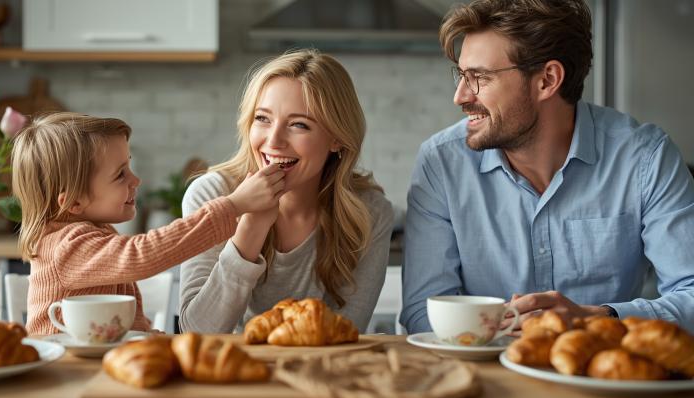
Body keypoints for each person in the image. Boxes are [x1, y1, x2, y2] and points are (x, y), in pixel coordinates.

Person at [401, 0, 694, 334]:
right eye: (461, 75)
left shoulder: (645, 158)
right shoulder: (442, 163)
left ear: (547, 80)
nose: (460, 96)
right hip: (486, 378)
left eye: (479, 77)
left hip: (600, 375)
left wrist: (599, 319)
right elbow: (422, 312)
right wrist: (505, 339)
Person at [11, 112, 285, 335]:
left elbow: (122, 325)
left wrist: (147, 336)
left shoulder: (96, 233)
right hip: (63, 377)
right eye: (120, 175)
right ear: (73, 203)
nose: (136, 180)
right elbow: (139, 255)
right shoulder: (66, 246)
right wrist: (233, 206)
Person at [179, 49, 394, 333]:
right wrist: (251, 228)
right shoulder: (212, 196)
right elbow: (196, 332)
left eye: (298, 125)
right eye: (263, 118)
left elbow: (344, 332)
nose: (274, 140)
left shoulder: (370, 213)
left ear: (337, 139)